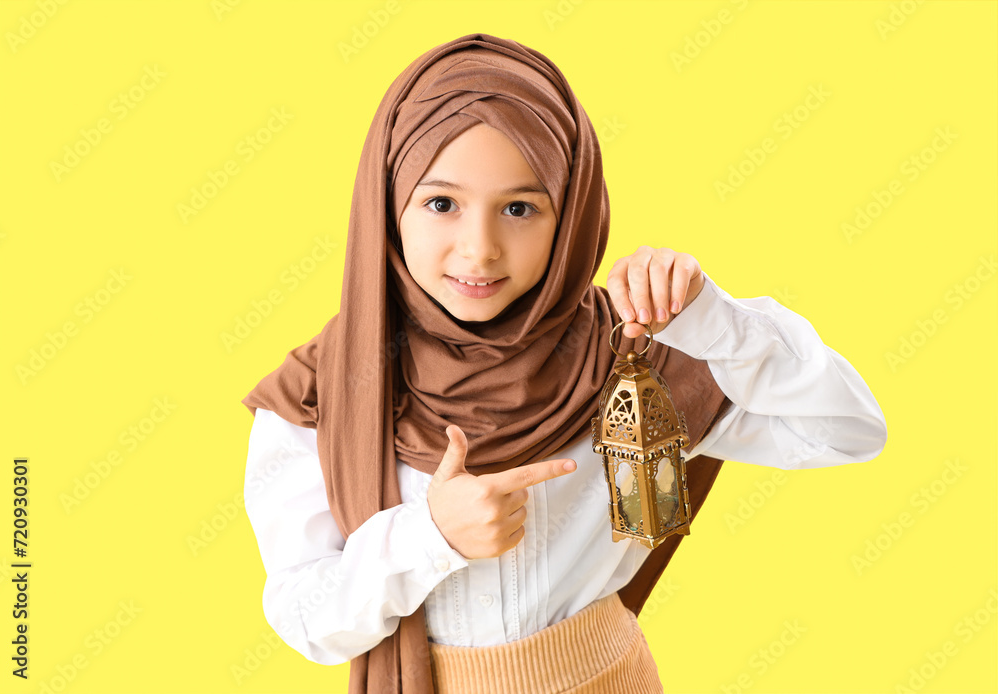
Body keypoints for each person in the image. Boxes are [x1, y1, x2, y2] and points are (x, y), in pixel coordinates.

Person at [240, 33, 887, 694]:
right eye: (441, 204)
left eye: (519, 208)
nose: (480, 250)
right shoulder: (322, 393)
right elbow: (305, 620)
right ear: (387, 205)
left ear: (572, 213)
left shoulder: (633, 355)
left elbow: (848, 430)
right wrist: (431, 536)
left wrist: (712, 319)